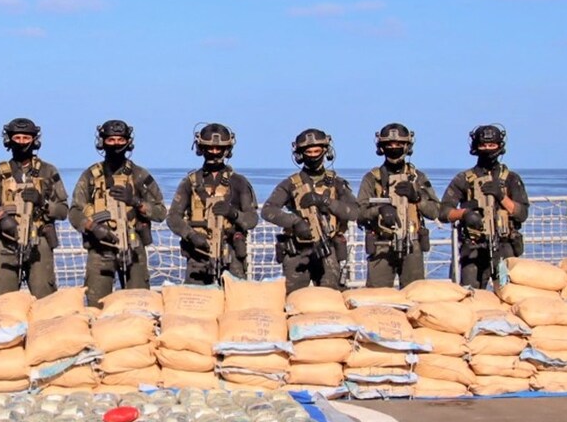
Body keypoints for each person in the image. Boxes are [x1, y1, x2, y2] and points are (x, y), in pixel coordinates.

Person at [69, 120, 167, 308]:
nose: (115, 144)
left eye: (120, 140)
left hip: (133, 248)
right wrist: (91, 226)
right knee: (96, 305)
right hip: (100, 249)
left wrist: (136, 202)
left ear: (128, 142)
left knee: (139, 304)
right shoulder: (91, 176)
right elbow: (74, 211)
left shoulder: (139, 175)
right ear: (102, 142)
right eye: (111, 140)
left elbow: (161, 212)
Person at [0, 118, 70, 298]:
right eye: (18, 137)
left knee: (45, 297)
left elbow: (64, 210)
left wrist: (43, 203)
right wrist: (0, 217)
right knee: (4, 298)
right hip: (7, 241)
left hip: (39, 242)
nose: (22, 142)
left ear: (34, 140)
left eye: (27, 138)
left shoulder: (48, 171)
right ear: (9, 140)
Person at [261, 128, 360, 293]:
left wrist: (326, 201)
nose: (313, 155)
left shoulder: (337, 183)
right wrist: (295, 222)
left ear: (325, 151)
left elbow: (355, 212)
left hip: (328, 248)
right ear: (300, 154)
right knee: (294, 298)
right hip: (298, 250)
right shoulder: (291, 183)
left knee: (330, 296)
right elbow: (268, 210)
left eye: (317, 151)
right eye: (308, 151)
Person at [440, 124, 530, 289]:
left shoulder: (511, 179)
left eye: (491, 145)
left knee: (509, 292)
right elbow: (443, 212)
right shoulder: (463, 179)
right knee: (469, 294)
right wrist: (465, 214)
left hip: (504, 246)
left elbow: (522, 213)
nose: (487, 149)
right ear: (475, 147)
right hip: (473, 247)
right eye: (483, 145)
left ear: (499, 146)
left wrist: (501, 197)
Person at [167, 123, 259, 284]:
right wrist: (192, 235)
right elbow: (173, 218)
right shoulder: (190, 182)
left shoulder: (238, 182)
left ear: (227, 149)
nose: (214, 153)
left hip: (231, 255)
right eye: (210, 148)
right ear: (201, 148)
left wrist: (233, 213)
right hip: (198, 255)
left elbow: (252, 219)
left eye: (219, 148)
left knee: (235, 302)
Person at [355, 123, 441, 288]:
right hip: (381, 245)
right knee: (377, 298)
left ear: (407, 146)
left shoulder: (418, 177)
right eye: (389, 144)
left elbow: (436, 211)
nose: (394, 148)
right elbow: (358, 213)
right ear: (381, 147)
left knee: (415, 294)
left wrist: (417, 197)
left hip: (412, 243)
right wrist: (379, 210)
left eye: (399, 144)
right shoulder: (372, 178)